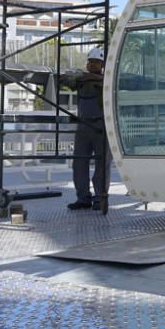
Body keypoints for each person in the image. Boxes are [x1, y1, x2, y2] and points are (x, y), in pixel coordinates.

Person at [64, 47, 110, 211]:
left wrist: (86, 76)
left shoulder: (107, 80)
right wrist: (73, 75)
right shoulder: (81, 81)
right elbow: (67, 81)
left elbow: (105, 82)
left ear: (102, 64)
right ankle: (83, 198)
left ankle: (100, 198)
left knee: (101, 164)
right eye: (90, 61)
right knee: (79, 163)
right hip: (83, 125)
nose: (91, 64)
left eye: (96, 62)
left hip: (101, 126)